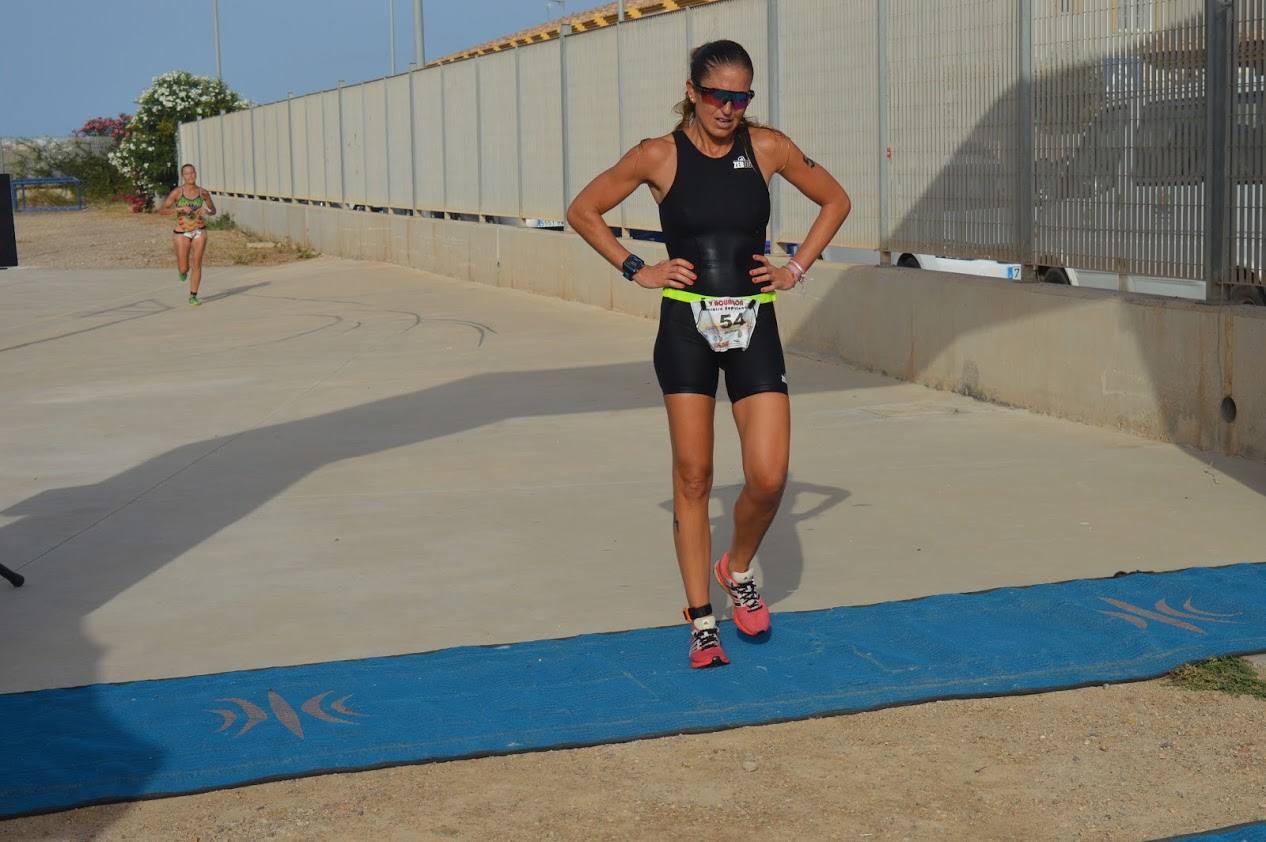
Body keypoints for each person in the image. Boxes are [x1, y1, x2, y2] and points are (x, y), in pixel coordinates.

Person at [567, 40, 851, 668]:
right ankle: (700, 619)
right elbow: (583, 210)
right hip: (685, 329)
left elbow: (836, 200)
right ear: (692, 91)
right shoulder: (657, 155)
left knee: (770, 477)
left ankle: (737, 567)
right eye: (718, 94)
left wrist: (796, 268)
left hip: (755, 325)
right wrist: (636, 267)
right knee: (693, 478)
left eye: (741, 96)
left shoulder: (768, 147)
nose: (729, 107)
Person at [158, 164, 217, 306]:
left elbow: (213, 210)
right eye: (187, 174)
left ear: (196, 174)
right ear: (183, 176)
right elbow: (162, 210)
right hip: (181, 232)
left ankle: (193, 295)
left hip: (199, 230)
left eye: (192, 173)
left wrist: (207, 211)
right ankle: (182, 271)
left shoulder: (203, 193)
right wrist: (178, 209)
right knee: (184, 267)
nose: (190, 176)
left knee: (197, 262)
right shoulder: (177, 192)